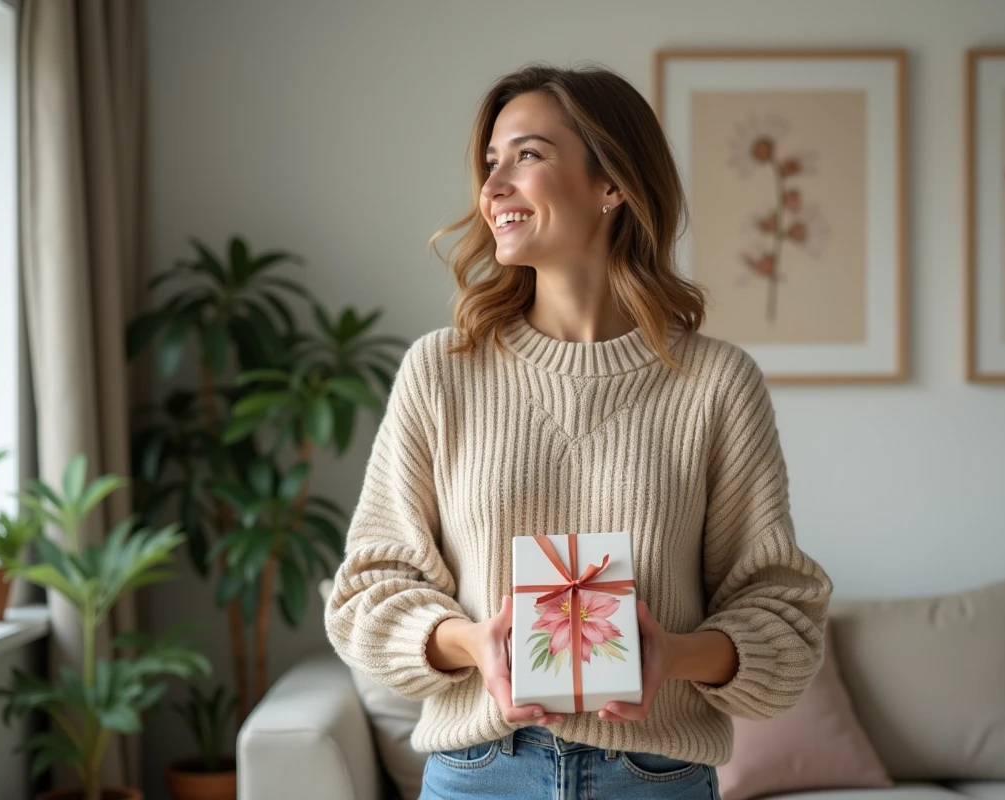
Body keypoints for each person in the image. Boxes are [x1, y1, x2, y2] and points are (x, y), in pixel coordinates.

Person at [324, 62, 832, 800]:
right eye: (491, 162)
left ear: (611, 184)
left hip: (656, 780)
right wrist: (473, 644)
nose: (493, 187)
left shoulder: (716, 384)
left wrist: (673, 656)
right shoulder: (441, 371)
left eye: (526, 155)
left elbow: (785, 619)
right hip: (479, 776)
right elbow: (365, 594)